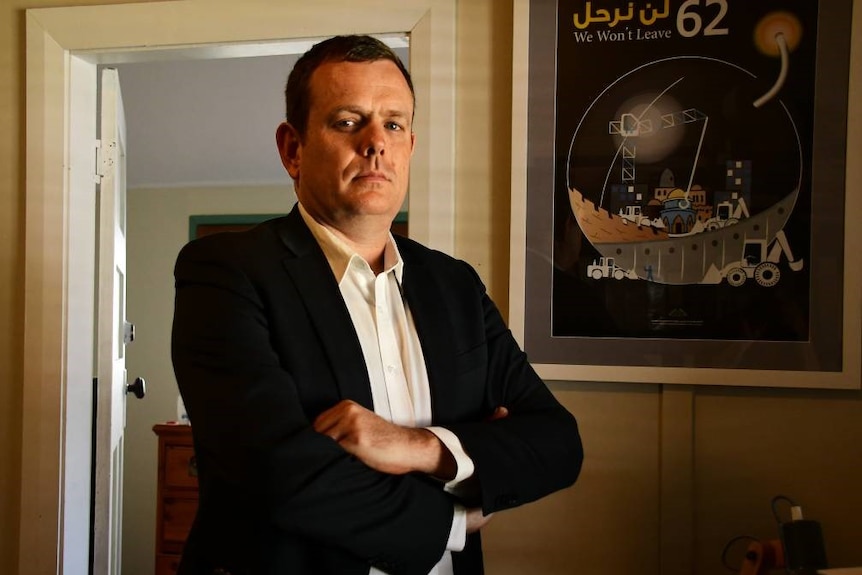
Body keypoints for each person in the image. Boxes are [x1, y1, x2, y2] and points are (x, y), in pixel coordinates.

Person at [171, 34, 583, 575]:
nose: (375, 143)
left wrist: (419, 447)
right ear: (293, 149)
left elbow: (557, 443)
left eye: (393, 124)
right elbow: (279, 472)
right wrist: (454, 521)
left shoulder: (454, 285)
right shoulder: (224, 271)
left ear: (410, 145)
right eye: (347, 121)